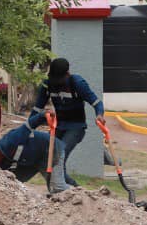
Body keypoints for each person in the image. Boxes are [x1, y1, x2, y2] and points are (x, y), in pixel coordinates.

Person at [27, 57, 103, 190]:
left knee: (58, 158)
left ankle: (77, 192)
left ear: (67, 74)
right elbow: (37, 108)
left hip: (76, 127)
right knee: (48, 159)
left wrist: (99, 115)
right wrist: (28, 128)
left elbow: (96, 102)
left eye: (59, 79)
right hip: (58, 126)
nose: (56, 82)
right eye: (54, 78)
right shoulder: (47, 84)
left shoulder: (78, 83)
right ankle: (66, 190)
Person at [0, 123, 65, 184]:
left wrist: (43, 116)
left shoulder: (10, 141)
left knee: (56, 185)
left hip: (48, 150)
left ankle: (76, 192)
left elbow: (30, 124)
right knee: (14, 180)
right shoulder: (2, 160)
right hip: (31, 160)